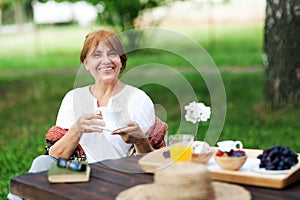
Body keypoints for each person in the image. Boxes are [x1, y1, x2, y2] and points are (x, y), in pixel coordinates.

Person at [8, 28, 167, 200]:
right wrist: (77, 130)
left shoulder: (138, 100)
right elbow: (54, 156)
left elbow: (156, 165)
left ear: (121, 60)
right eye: (97, 55)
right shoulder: (73, 98)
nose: (106, 61)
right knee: (41, 162)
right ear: (86, 63)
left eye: (112, 53)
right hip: (78, 175)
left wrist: (140, 140)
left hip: (118, 179)